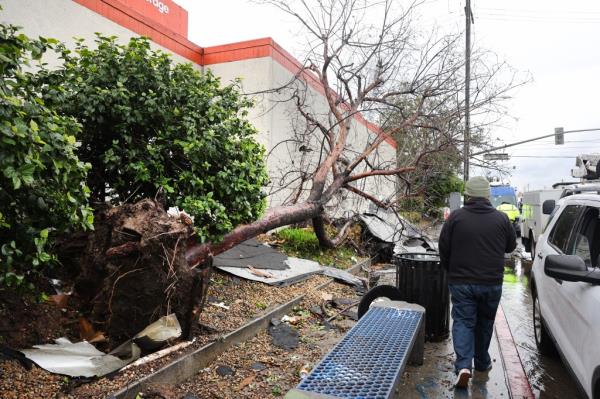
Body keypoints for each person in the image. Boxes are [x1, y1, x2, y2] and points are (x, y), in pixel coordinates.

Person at [438, 176, 517, 388]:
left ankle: (463, 365)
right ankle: (482, 362)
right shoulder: (501, 219)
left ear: (468, 195)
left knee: (463, 321)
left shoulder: (455, 218)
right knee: (485, 322)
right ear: (488, 196)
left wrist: (450, 270)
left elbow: (443, 248)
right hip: (492, 283)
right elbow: (510, 247)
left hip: (462, 282)